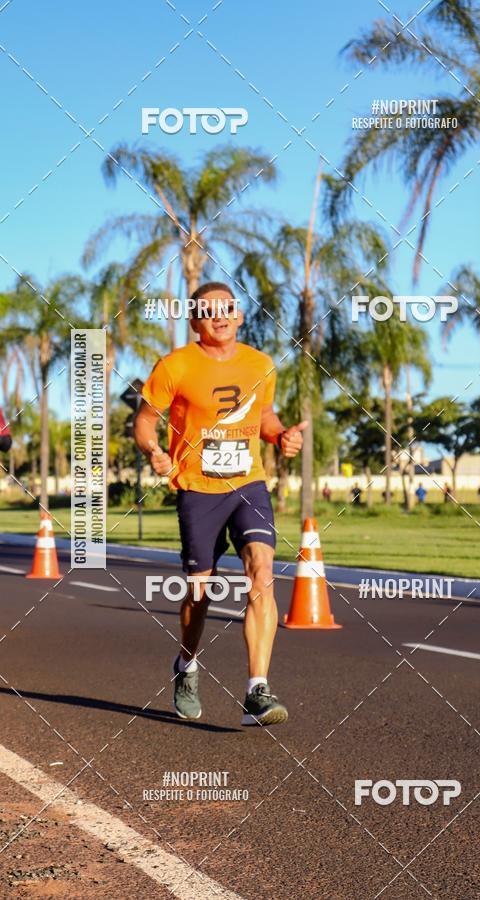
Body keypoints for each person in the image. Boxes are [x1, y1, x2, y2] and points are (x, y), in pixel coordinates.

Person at [134, 282, 306, 727]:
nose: (220, 315)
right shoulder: (175, 365)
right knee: (199, 591)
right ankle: (186, 664)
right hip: (197, 489)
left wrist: (281, 434)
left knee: (262, 574)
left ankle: (257, 691)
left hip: (248, 484)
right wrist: (154, 450)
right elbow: (145, 419)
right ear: (194, 321)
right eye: (208, 310)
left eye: (227, 307)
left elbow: (263, 415)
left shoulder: (260, 364)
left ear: (240, 314)